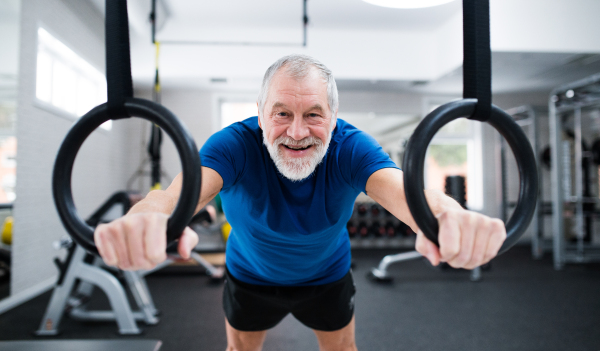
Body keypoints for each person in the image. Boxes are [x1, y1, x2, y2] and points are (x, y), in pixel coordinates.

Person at [95, 54, 506, 351]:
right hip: (249, 277)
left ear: (333, 114)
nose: (296, 132)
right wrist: (149, 215)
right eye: (281, 114)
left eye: (313, 114)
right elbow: (173, 197)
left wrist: (448, 215)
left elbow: (407, 194)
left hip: (326, 277)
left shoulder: (351, 147)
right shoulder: (233, 146)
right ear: (259, 115)